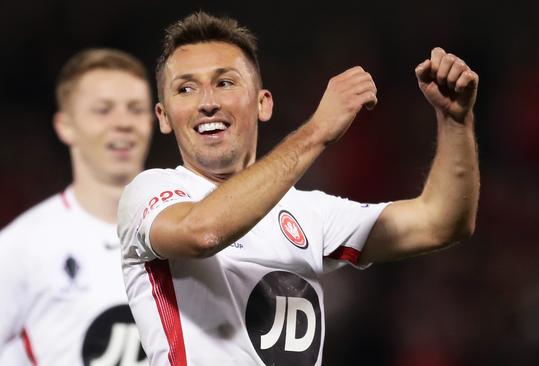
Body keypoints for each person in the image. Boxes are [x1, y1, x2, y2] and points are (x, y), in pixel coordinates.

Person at [117, 11, 480, 366]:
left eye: (225, 82)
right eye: (186, 88)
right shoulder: (150, 194)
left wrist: (455, 121)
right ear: (164, 117)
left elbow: (442, 221)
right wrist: (317, 130)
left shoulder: (311, 215)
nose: (207, 102)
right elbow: (203, 232)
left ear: (263, 104)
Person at [0, 48, 154, 365]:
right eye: (103, 110)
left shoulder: (195, 227)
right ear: (65, 126)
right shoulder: (22, 244)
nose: (123, 122)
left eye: (136, 109)